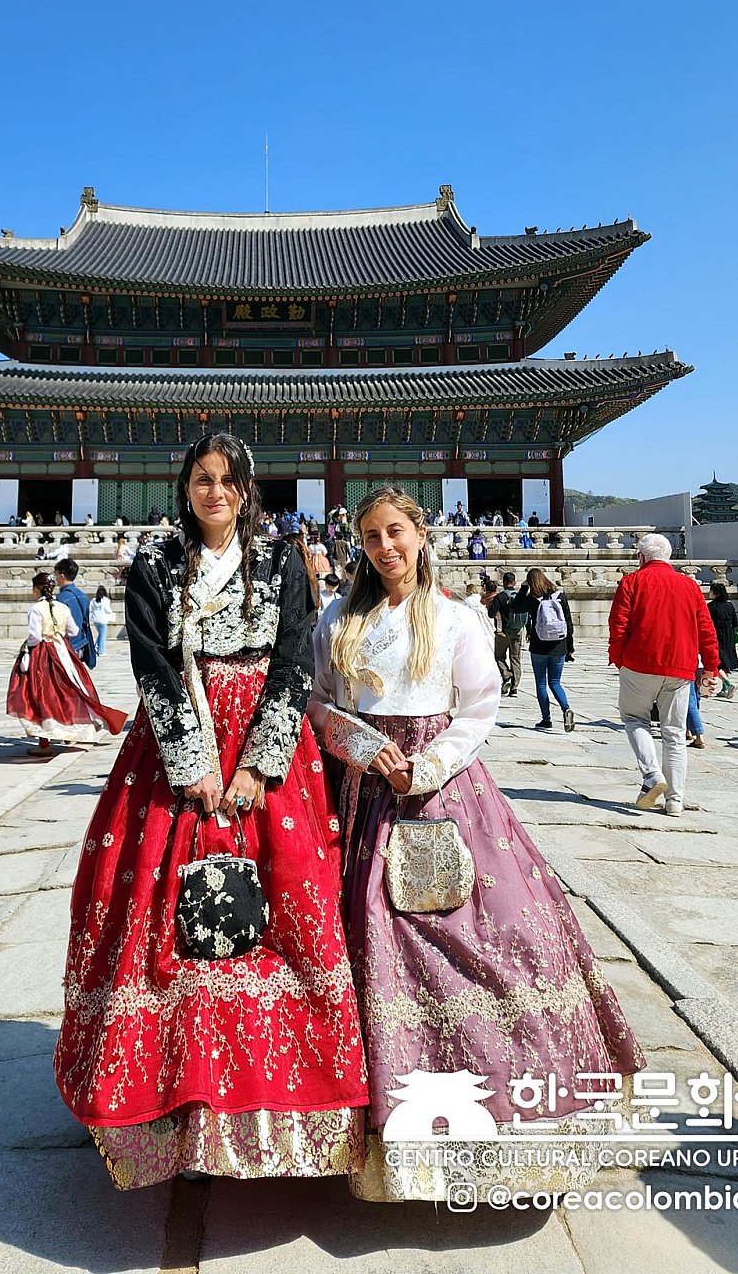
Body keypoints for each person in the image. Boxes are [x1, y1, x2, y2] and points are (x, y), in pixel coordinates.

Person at [308, 486, 644, 1202]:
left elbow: (479, 707)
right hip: (366, 791)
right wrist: (362, 747)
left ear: (420, 534)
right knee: (369, 936)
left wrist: (428, 765)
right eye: (371, 537)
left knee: (493, 934)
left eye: (395, 532)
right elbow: (321, 702)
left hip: (445, 790)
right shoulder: (338, 618)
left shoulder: (457, 617)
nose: (385, 547)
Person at [54, 432, 368, 1190]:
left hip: (267, 747)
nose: (215, 492)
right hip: (177, 748)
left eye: (229, 480)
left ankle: (278, 1109)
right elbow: (151, 664)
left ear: (247, 488)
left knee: (287, 911)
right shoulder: (156, 562)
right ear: (185, 486)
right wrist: (191, 764)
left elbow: (293, 660)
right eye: (202, 478)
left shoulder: (281, 560)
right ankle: (177, 1108)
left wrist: (261, 762)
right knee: (165, 920)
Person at [608, 534, 720, 817]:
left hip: (639, 663)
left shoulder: (631, 582)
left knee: (635, 719)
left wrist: (619, 659)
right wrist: (711, 667)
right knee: (674, 733)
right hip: (681, 667)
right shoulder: (690, 586)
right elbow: (706, 629)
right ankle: (675, 801)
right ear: (668, 557)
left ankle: (651, 775)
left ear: (641, 557)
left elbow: (618, 625)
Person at [6, 572, 125, 757]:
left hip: (42, 654)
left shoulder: (36, 609)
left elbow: (35, 636)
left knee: (41, 694)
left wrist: (27, 647)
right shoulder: (62, 607)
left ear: (37, 589)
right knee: (69, 690)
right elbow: (74, 630)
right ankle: (71, 731)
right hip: (63, 652)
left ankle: (44, 743)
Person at [511, 568, 575, 731]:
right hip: (559, 646)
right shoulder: (560, 596)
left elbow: (514, 608)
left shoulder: (533, 599)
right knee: (555, 682)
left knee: (541, 683)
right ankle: (566, 708)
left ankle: (546, 719)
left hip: (539, 646)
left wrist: (523, 588)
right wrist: (569, 647)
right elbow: (568, 623)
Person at [489, 570, 525, 697]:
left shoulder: (501, 596)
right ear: (514, 582)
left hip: (503, 632)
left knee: (499, 656)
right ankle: (514, 688)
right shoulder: (520, 596)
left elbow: (491, 614)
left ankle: (506, 674)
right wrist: (529, 631)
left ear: (504, 582)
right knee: (515, 658)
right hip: (518, 631)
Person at [54, 558, 96, 666]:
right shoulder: (83, 596)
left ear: (62, 576)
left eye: (56, 575)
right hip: (81, 643)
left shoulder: (60, 598)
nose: (55, 578)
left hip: (67, 645)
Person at [707, 583, 738, 697]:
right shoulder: (729, 606)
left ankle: (728, 683)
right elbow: (735, 622)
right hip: (729, 637)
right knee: (725, 662)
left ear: (715, 593)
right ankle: (725, 688)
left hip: (716, 636)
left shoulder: (711, 606)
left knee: (717, 662)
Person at [89, 585, 114, 657]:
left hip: (95, 620)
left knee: (100, 634)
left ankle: (95, 648)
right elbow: (108, 610)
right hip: (103, 620)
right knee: (102, 636)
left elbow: (90, 609)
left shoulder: (93, 600)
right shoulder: (105, 600)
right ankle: (101, 651)